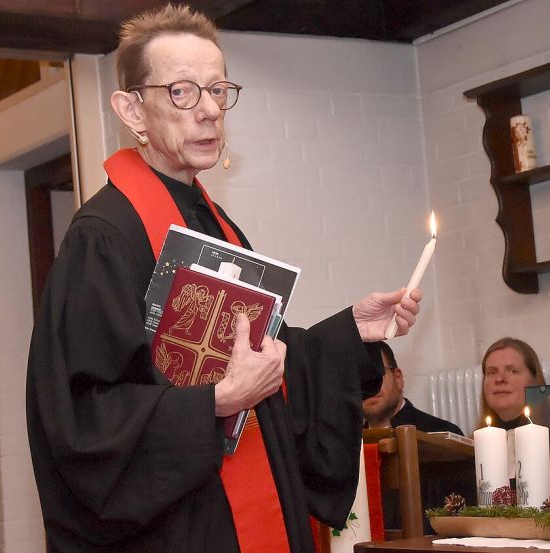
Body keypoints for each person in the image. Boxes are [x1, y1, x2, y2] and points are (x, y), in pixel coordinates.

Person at [25, 5, 421, 553]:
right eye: (183, 92)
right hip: (180, 527)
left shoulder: (213, 221)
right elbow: (81, 416)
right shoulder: (104, 237)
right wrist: (212, 402)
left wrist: (350, 331)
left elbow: (261, 353)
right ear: (132, 111)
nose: (210, 110)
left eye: (218, 89)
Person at [363, 341, 462, 435]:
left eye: (377, 376)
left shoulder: (442, 435)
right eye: (357, 379)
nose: (369, 387)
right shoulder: (349, 441)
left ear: (398, 378)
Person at [476, 337, 547, 430]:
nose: (499, 379)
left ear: (534, 379)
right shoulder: (477, 439)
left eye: (513, 371)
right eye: (492, 372)